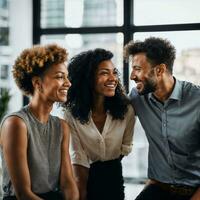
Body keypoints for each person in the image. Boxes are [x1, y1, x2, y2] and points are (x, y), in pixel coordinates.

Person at [124, 37, 200, 200]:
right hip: (158, 189)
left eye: (137, 69)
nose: (132, 76)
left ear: (159, 70)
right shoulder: (138, 98)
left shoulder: (197, 101)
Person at [0, 44, 79, 200]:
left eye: (67, 76)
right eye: (59, 76)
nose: (68, 83)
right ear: (37, 83)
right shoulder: (16, 124)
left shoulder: (62, 126)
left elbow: (68, 183)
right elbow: (23, 194)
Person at [63, 48, 135, 200]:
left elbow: (124, 147)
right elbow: (78, 162)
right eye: (104, 73)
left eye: (114, 72)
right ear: (87, 78)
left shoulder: (127, 110)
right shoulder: (71, 114)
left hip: (114, 177)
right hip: (83, 177)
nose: (112, 78)